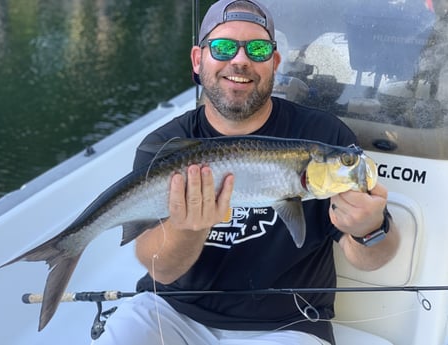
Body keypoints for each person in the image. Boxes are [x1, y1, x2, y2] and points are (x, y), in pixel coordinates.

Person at [93, 1, 399, 344]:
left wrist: (370, 230)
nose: (240, 60)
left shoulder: (324, 136)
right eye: (223, 47)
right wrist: (189, 229)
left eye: (257, 49)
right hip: (171, 313)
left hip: (288, 326)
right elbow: (161, 270)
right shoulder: (164, 145)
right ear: (198, 59)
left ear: (275, 62)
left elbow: (372, 258)